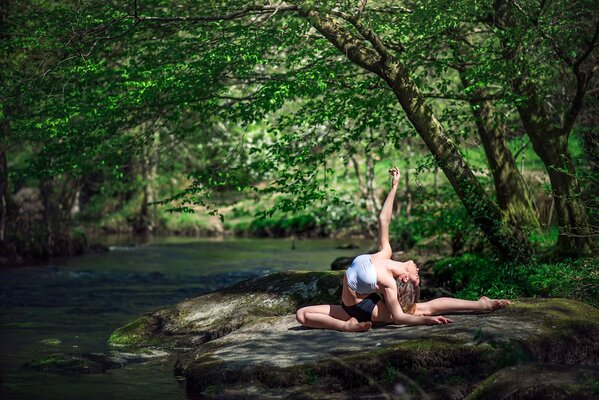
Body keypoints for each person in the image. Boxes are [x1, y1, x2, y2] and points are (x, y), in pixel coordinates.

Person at [296, 166, 510, 332]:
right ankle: (481, 305)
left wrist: (427, 323)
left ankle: (483, 305)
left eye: (416, 276)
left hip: (362, 308)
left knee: (425, 309)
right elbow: (383, 219)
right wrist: (394, 187)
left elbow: (399, 318)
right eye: (418, 274)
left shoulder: (388, 282)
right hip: (356, 304)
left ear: (405, 279)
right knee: (301, 314)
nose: (417, 270)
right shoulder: (385, 253)